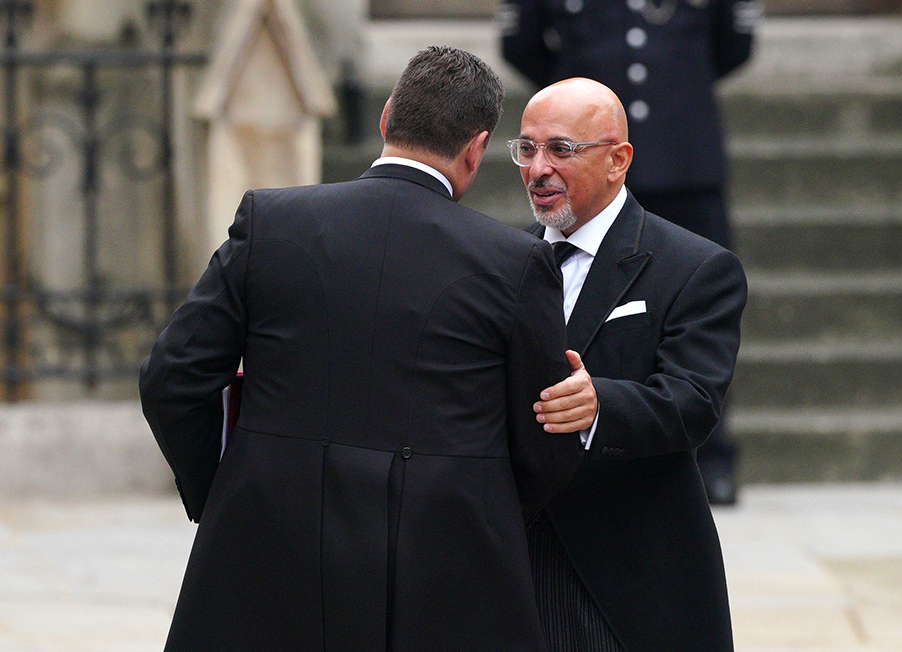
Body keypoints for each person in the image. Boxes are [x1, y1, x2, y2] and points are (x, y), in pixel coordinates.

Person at [139, 46, 588, 652]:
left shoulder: (271, 221)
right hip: (446, 568)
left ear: (385, 120)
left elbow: (172, 377)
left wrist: (225, 490)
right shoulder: (515, 262)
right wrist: (483, 516)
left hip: (269, 550)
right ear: (477, 148)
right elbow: (543, 437)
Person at [515, 78, 747, 651]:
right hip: (513, 570)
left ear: (618, 160)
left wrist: (601, 406)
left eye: (560, 150)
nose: (538, 168)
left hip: (626, 580)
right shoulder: (502, 260)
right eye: (526, 148)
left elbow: (694, 401)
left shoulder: (694, 267)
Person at [502, 0, 760, 504]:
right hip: (583, 148)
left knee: (694, 306)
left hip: (683, 149)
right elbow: (522, 41)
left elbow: (735, 41)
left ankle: (710, 457)